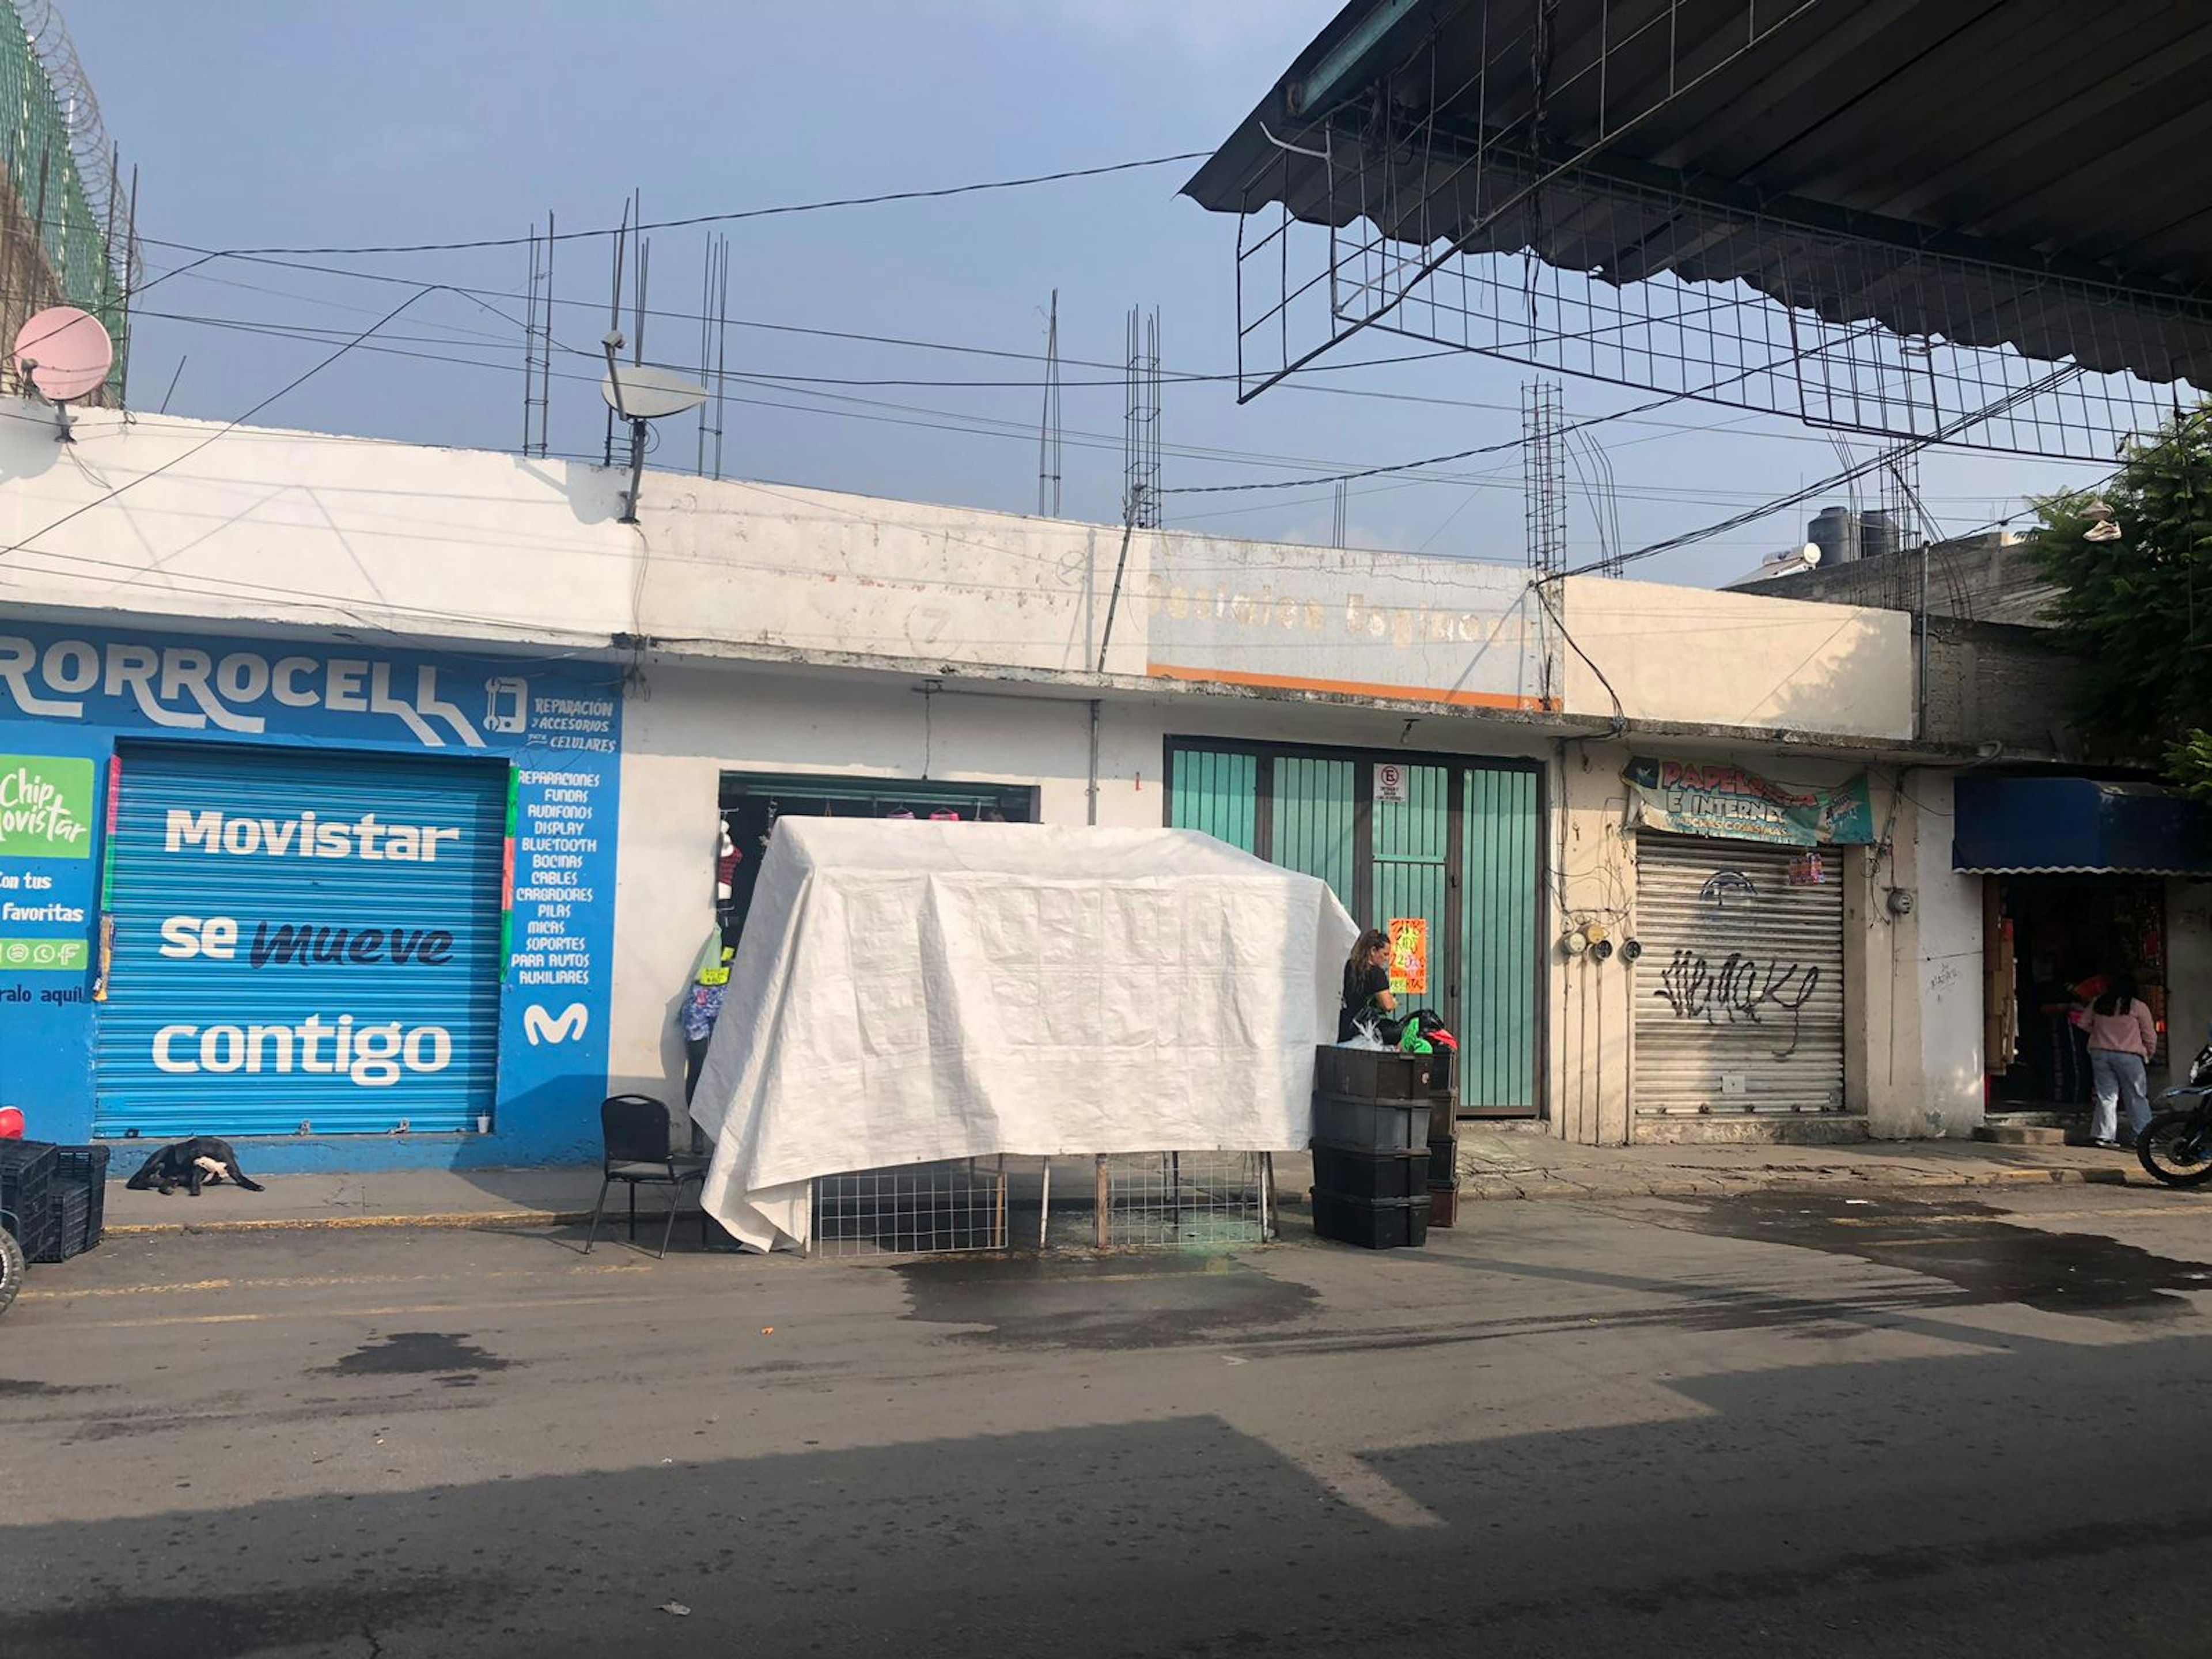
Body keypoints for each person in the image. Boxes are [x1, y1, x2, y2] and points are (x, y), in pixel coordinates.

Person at [2084, 971, 2158, 1149]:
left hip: (2100, 1053)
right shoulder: (2137, 1007)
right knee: (2136, 1096)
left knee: (2106, 1096)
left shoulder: (2099, 1003)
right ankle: (2142, 1135)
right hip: (2129, 1055)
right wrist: (2149, 1053)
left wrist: (2099, 1034)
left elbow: (2083, 1023)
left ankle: (2105, 1136)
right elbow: (2149, 1035)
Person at [680, 930, 738, 1103]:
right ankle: (696, 1126)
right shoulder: (710, 931)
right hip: (701, 998)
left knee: (724, 1065)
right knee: (698, 1064)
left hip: (728, 998)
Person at [1339, 927, 1397, 1043]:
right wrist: (1394, 1003)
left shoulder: (1350, 966)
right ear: (1373, 951)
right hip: (1367, 1030)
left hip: (1345, 1027)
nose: (1386, 959)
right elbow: (1388, 1005)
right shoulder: (1376, 973)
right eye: (1385, 954)